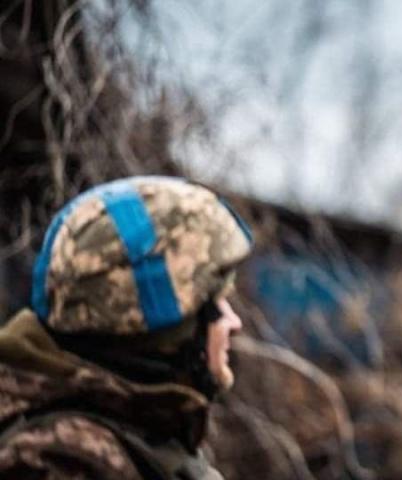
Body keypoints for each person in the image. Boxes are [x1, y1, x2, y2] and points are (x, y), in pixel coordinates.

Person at [0, 176, 254, 479]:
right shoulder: (65, 461)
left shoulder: (139, 435)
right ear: (170, 331)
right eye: (215, 302)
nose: (233, 322)